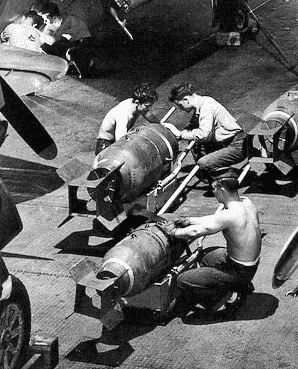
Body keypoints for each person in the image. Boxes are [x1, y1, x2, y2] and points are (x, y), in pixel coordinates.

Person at [163, 175, 261, 314]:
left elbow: (195, 232)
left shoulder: (230, 214)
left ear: (222, 190)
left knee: (183, 280)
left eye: (214, 189)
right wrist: (189, 220)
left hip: (239, 271)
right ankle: (240, 285)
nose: (213, 193)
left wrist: (174, 232)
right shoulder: (246, 203)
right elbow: (215, 220)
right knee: (205, 256)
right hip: (249, 266)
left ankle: (226, 297)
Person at [165, 82, 251, 182]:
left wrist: (180, 134)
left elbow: (203, 135)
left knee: (203, 163)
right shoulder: (203, 102)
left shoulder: (206, 107)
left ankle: (227, 180)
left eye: (180, 105)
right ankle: (211, 173)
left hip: (237, 146)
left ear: (186, 99)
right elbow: (191, 127)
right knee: (193, 141)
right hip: (228, 142)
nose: (180, 109)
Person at [94, 83, 158, 159]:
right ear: (137, 102)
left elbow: (149, 115)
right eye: (147, 106)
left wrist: (160, 124)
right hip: (105, 145)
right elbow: (121, 141)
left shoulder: (137, 105)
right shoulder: (123, 114)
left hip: (117, 141)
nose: (149, 109)